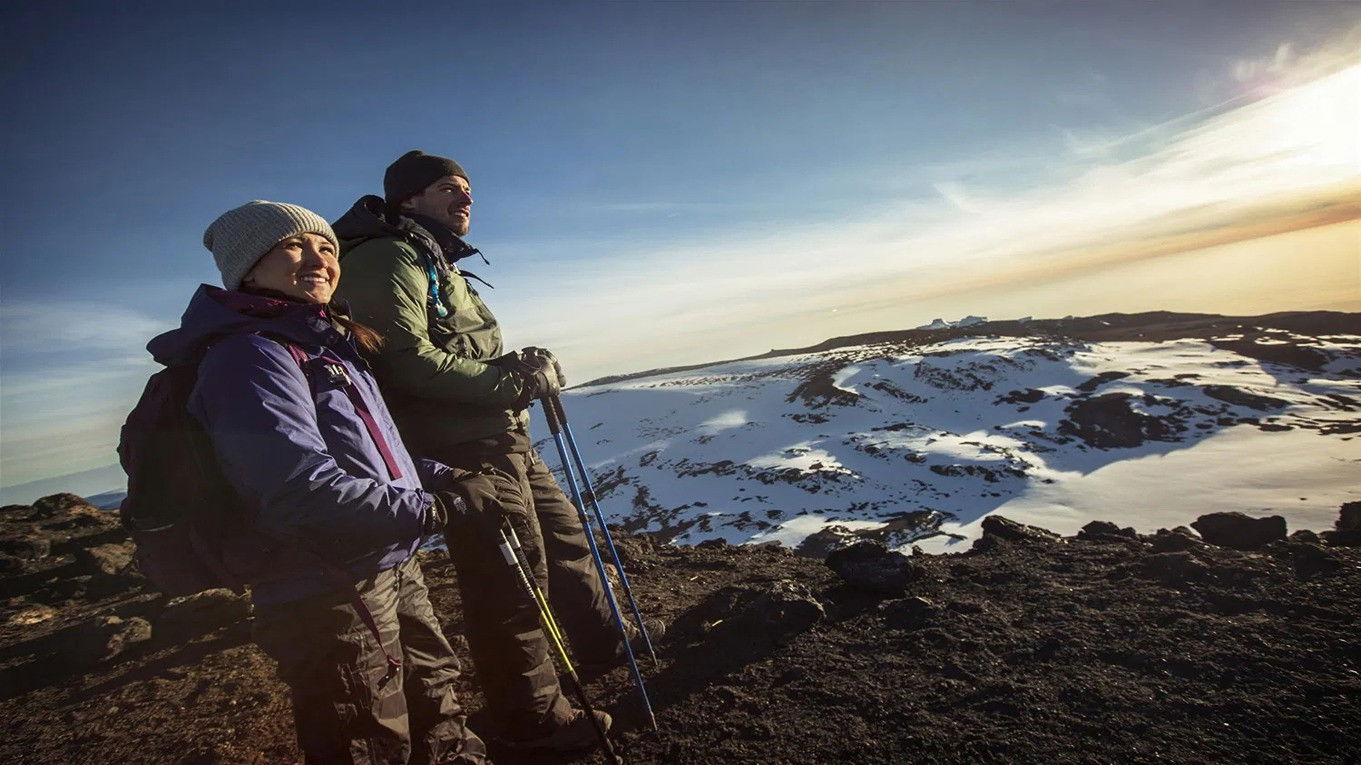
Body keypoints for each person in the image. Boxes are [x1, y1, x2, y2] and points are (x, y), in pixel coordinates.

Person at [147, 200, 489, 764]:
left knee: (437, 706)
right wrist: (436, 510)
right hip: (324, 589)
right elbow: (298, 490)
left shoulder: (325, 344)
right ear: (248, 268)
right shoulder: (250, 358)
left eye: (326, 246)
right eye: (293, 245)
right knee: (371, 738)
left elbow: (383, 459)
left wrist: (448, 478)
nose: (318, 258)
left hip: (385, 561)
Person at [332, 152, 649, 749]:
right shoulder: (388, 257)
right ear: (408, 200)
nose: (466, 198)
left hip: (501, 432)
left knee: (564, 540)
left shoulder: (433, 258)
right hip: (463, 447)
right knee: (512, 580)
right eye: (450, 188)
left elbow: (462, 349)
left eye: (468, 189)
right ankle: (534, 717)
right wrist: (514, 381)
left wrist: (512, 370)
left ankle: (605, 643)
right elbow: (407, 363)